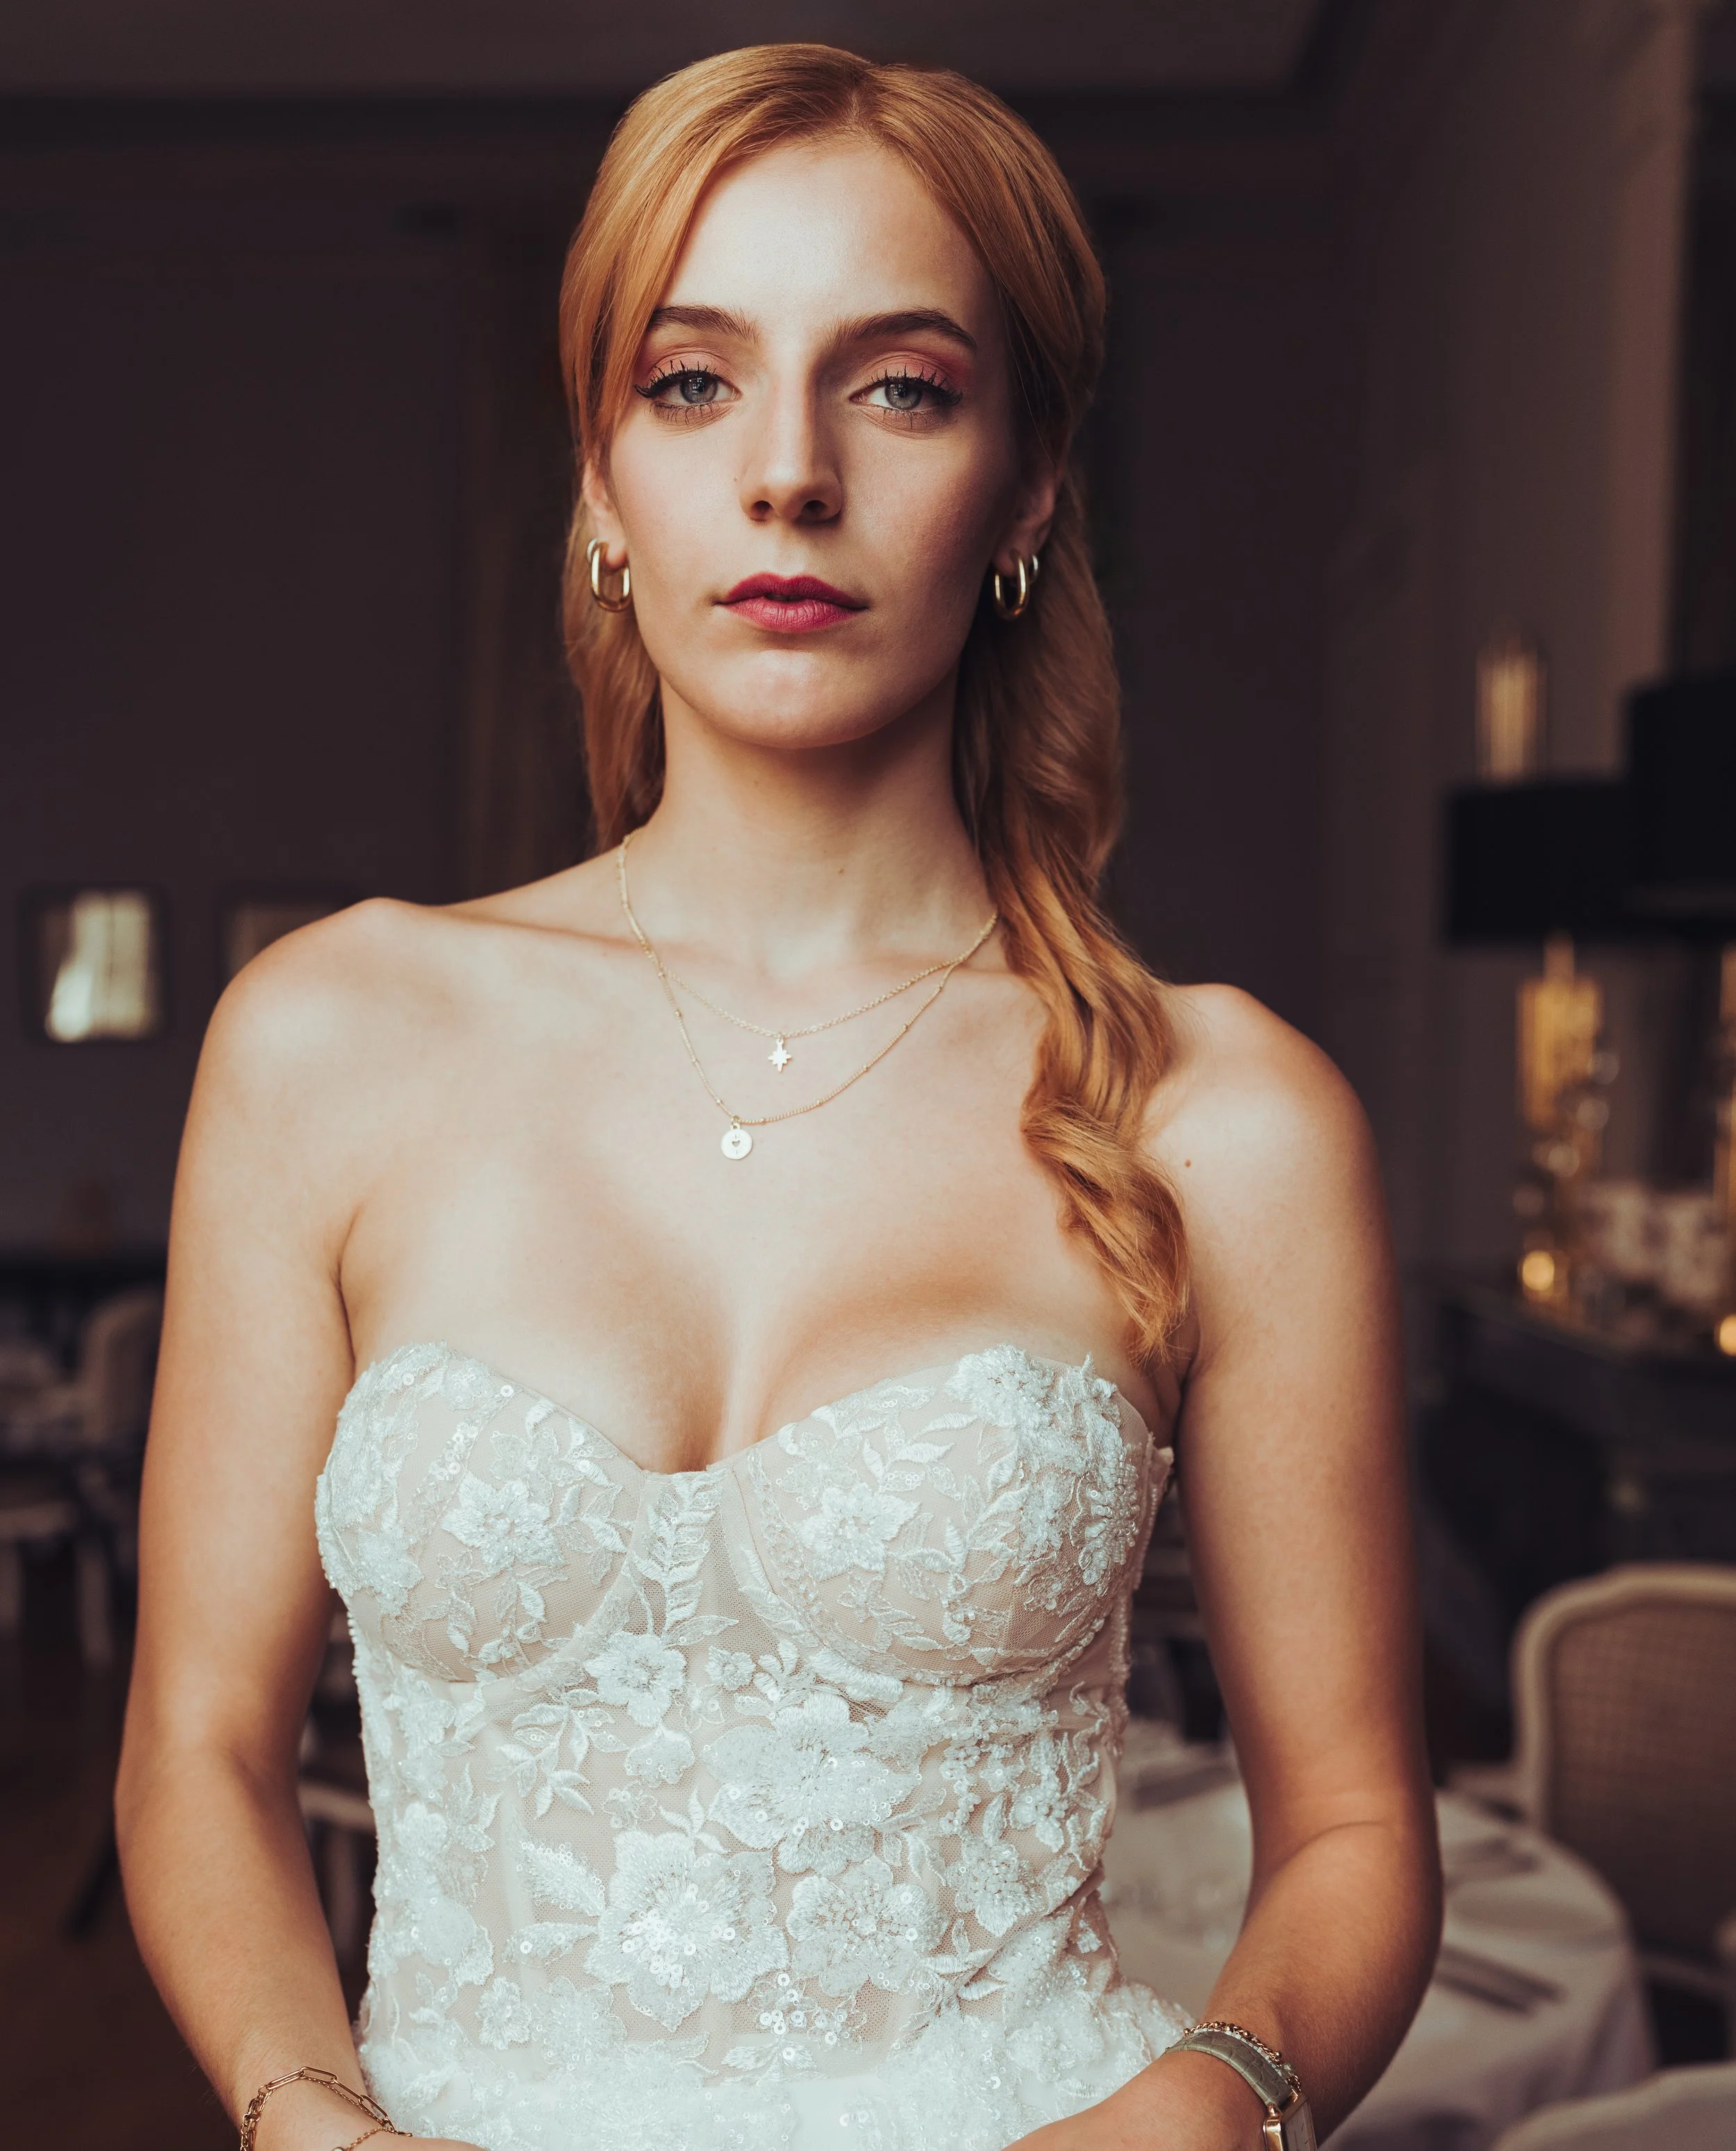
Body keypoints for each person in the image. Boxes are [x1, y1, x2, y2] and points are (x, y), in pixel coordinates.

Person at [117, 43, 1439, 2151]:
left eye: (900, 386)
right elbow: (193, 1742)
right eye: (692, 381)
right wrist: (305, 2118)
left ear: (1024, 486)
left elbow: (1360, 1821)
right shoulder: (330, 1038)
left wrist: (1210, 2102)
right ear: (597, 482)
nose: (790, 476)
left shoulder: (1224, 1112)